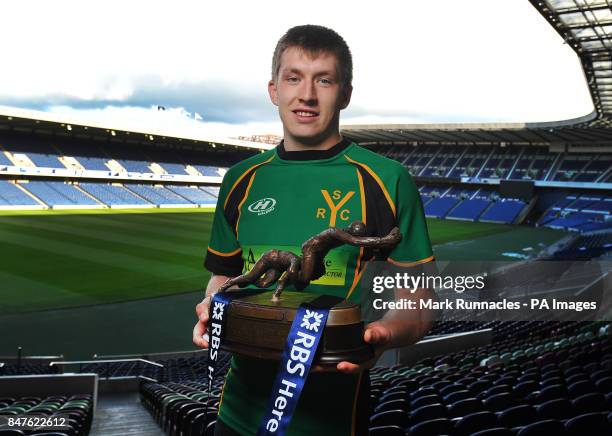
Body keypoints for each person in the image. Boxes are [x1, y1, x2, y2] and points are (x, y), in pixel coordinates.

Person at [193, 24, 436, 436]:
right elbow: (222, 277)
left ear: (345, 93)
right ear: (274, 89)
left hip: (331, 423)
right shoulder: (240, 178)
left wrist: (382, 333)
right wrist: (212, 308)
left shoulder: (386, 179)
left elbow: (419, 303)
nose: (307, 94)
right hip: (233, 417)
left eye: (324, 80)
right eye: (294, 78)